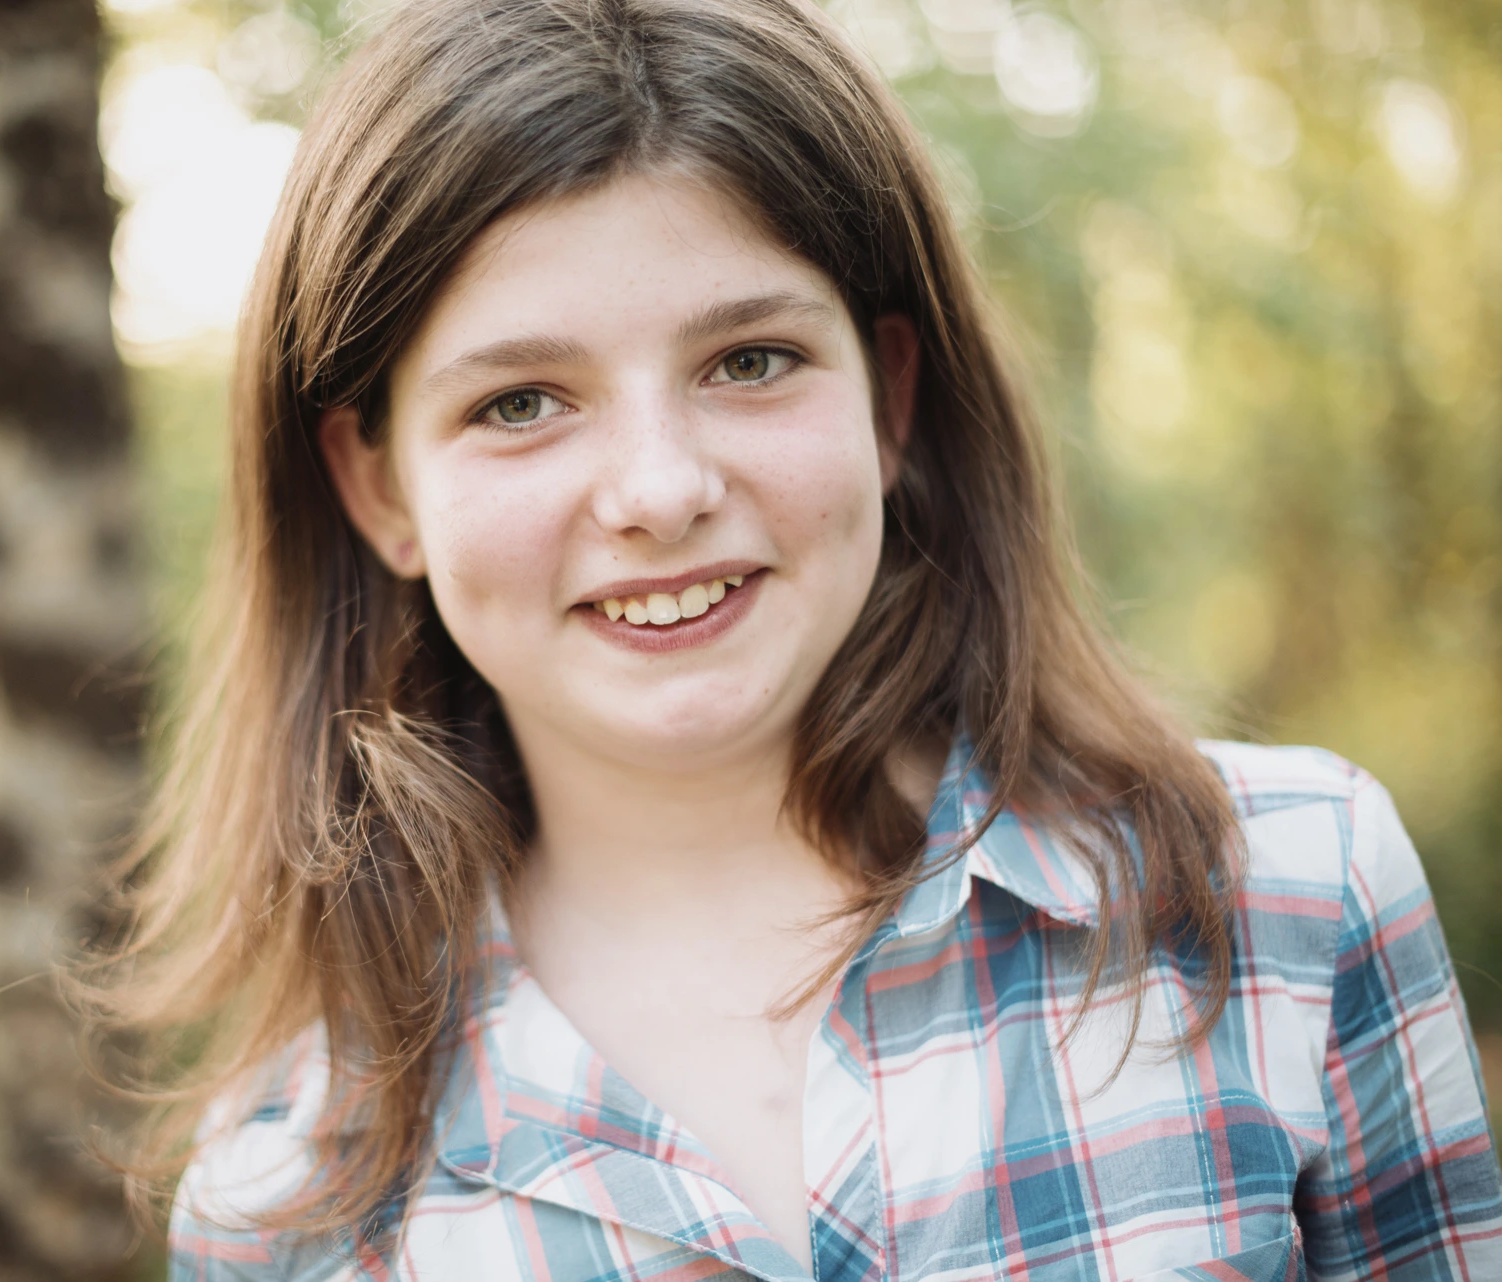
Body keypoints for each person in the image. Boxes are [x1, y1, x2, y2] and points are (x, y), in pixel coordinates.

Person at [102, 1, 1502, 1277]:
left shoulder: (1291, 897)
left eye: (749, 361)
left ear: (889, 400)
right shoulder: (285, 1204)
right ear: (381, 488)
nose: (660, 491)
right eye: (521, 402)